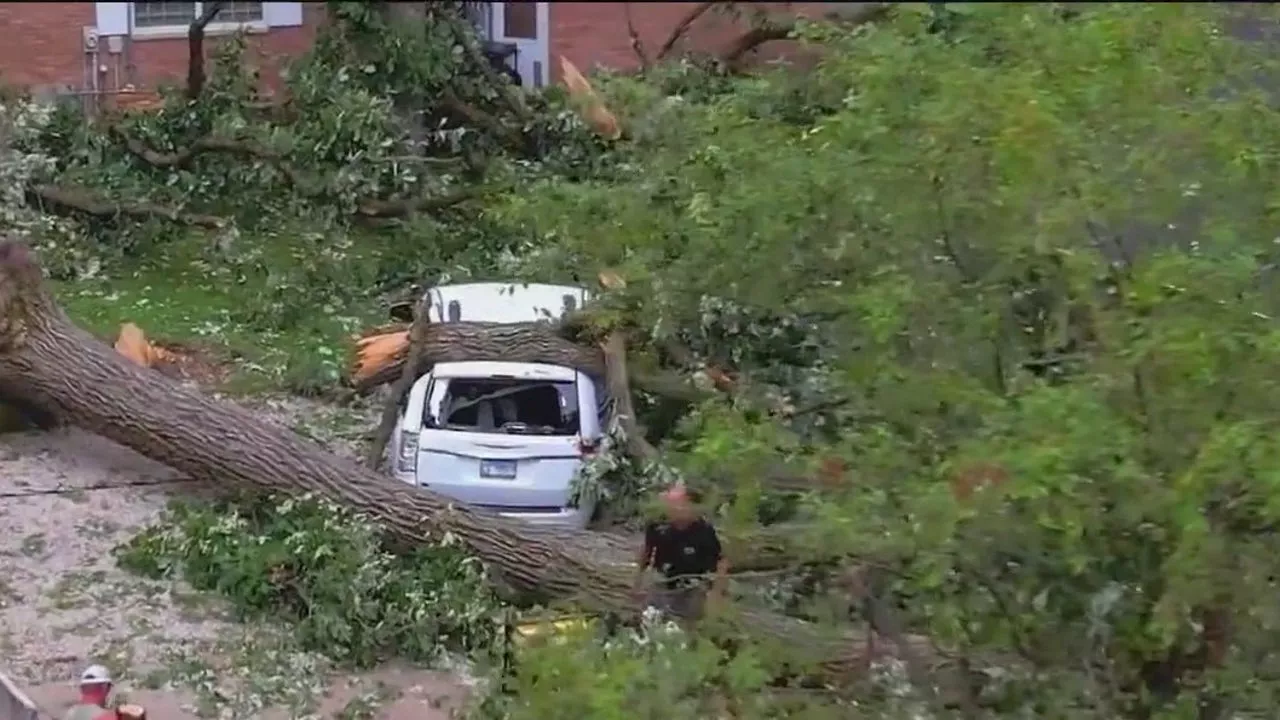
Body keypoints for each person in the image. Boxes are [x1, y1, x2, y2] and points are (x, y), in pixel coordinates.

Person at [634, 484, 728, 628]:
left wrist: (717, 592)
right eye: (669, 505)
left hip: (693, 585)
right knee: (649, 616)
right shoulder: (658, 525)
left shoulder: (703, 531)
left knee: (689, 620)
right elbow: (646, 552)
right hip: (663, 580)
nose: (671, 510)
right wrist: (637, 581)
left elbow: (721, 562)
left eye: (676, 505)